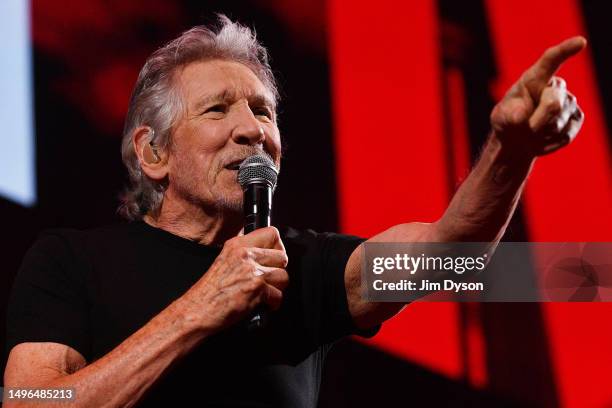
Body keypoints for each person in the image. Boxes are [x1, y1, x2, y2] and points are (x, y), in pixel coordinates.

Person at [3, 15, 585, 408]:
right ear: (153, 153)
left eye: (264, 111)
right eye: (217, 110)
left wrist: (510, 151)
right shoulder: (71, 261)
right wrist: (198, 310)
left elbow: (451, 258)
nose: (253, 130)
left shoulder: (304, 267)